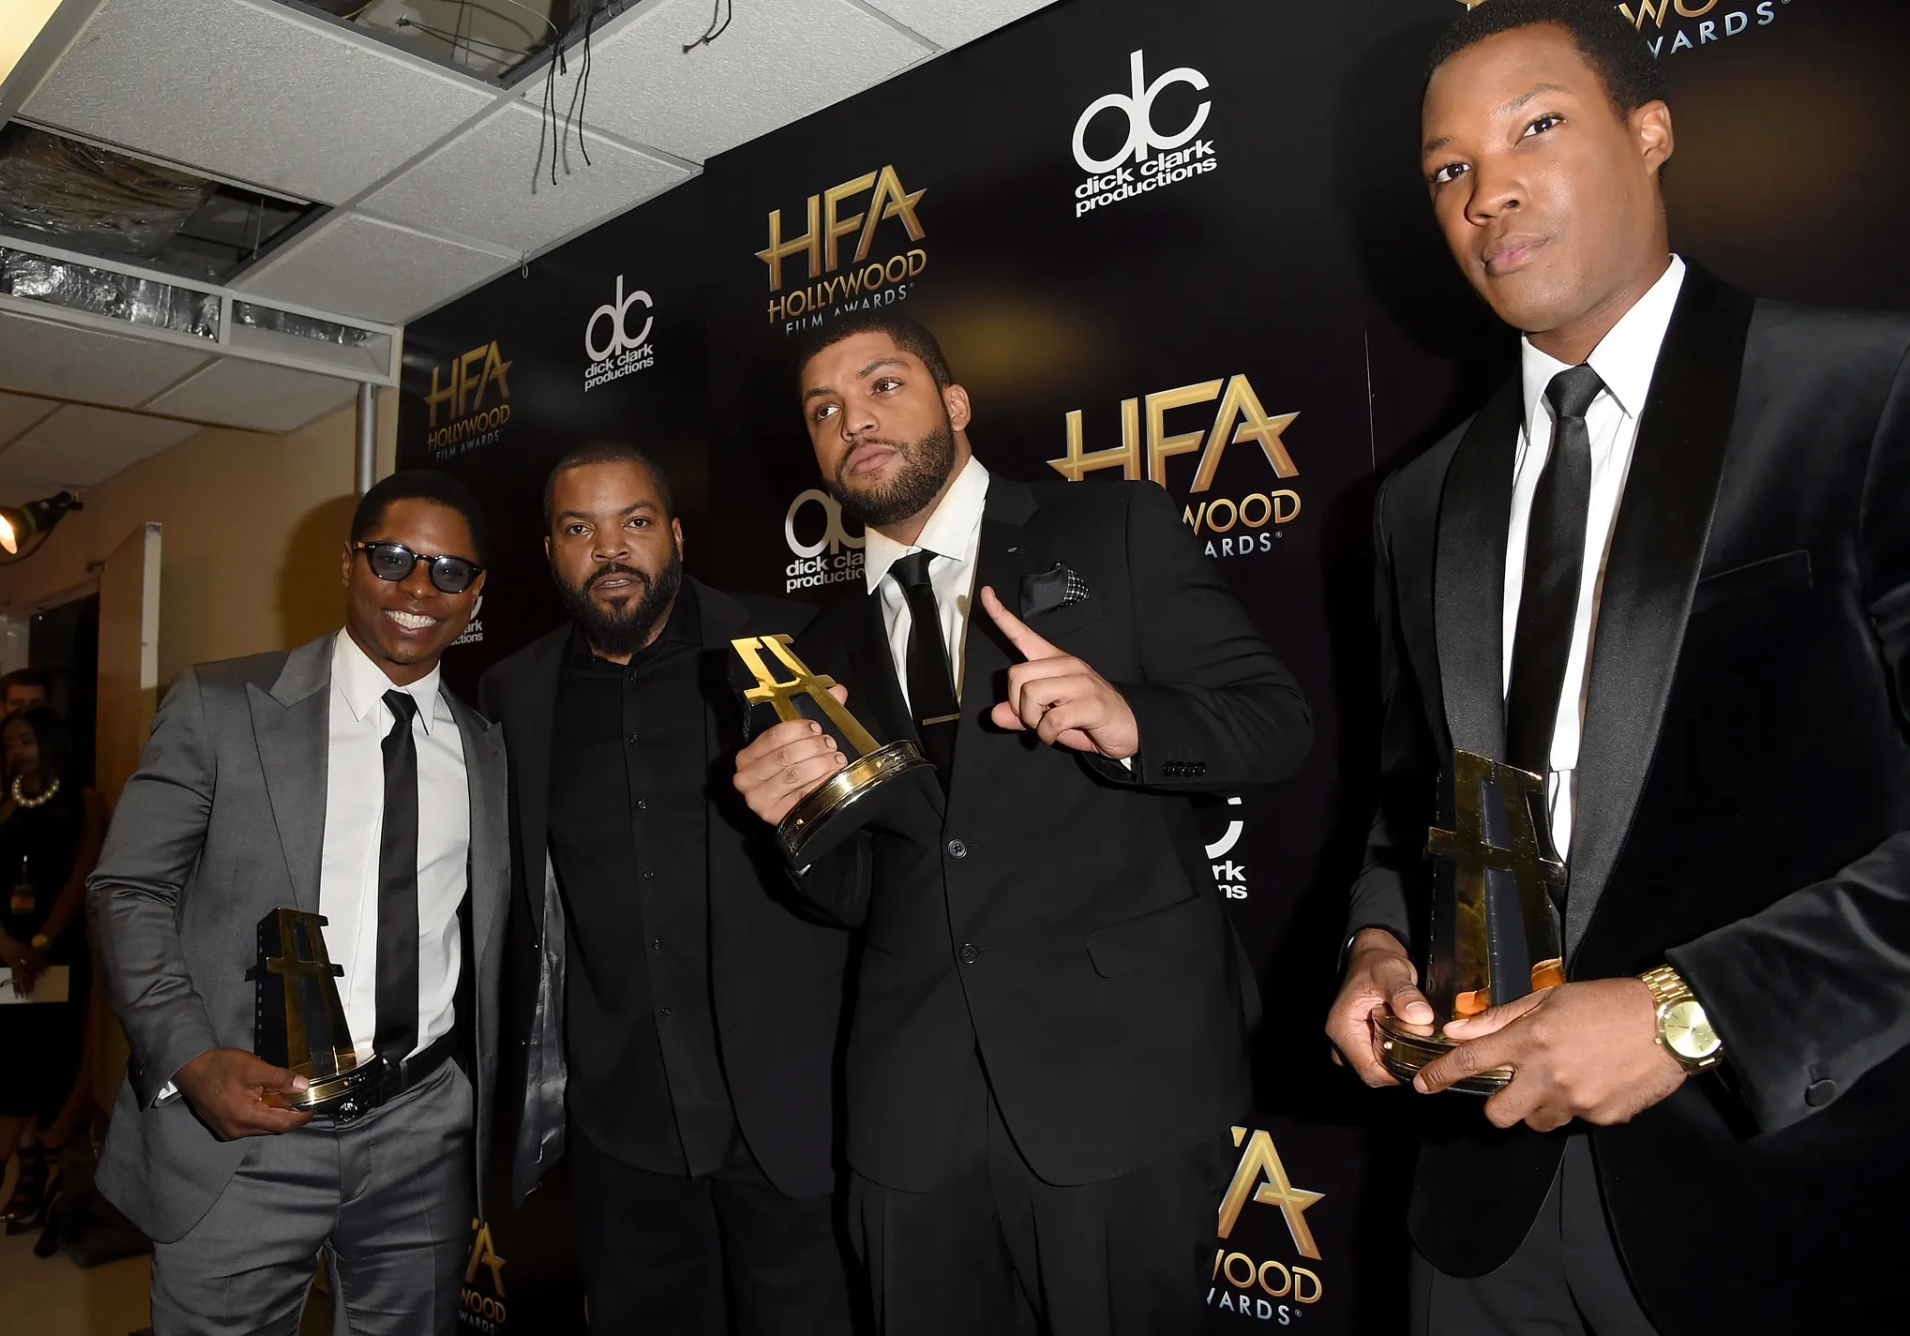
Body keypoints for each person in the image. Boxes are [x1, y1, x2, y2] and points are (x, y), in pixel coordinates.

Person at [1324, 3, 1910, 1333]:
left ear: (1650, 133)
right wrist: (1374, 943)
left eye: (1536, 127)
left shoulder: (1867, 394)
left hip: (1783, 1205)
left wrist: (1686, 1015)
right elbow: (1411, 794)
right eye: (1447, 168)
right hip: (1480, 1216)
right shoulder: (1423, 501)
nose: (1492, 191)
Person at [731, 310, 1312, 1333]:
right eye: (824, 410)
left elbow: (1277, 726)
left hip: (1116, 1088)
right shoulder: (817, 647)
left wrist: (1134, 722)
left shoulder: (1112, 528)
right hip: (909, 1116)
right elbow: (863, 890)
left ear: (955, 405)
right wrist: (796, 824)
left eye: (881, 387)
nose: (851, 420)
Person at [87, 470, 509, 1335]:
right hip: (246, 1130)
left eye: (449, 571)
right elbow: (128, 889)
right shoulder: (219, 706)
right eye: (393, 558)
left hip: (420, 1135)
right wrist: (193, 1061)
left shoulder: (490, 751)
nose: (419, 590)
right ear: (348, 563)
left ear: (476, 592)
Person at [479, 441, 854, 1333]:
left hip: (791, 1118)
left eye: (634, 522)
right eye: (580, 529)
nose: (611, 550)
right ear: (550, 553)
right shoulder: (512, 692)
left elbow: (868, 863)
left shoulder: (791, 649)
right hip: (620, 1127)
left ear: (675, 534)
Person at [0, 706, 104, 1228]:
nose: (17, 752)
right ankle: (21, 1168)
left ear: (51, 743)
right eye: (10, 743)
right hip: (1, 955)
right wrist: (5, 944)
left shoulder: (83, 802)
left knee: (45, 1060)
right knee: (11, 1062)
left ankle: (30, 1168)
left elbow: (81, 879)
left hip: (53, 955)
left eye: (27, 741)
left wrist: (37, 942)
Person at [0, 668, 51, 798]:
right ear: (2, 707)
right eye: (17, 703)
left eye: (36, 704)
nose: (26, 711)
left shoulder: (62, 747)